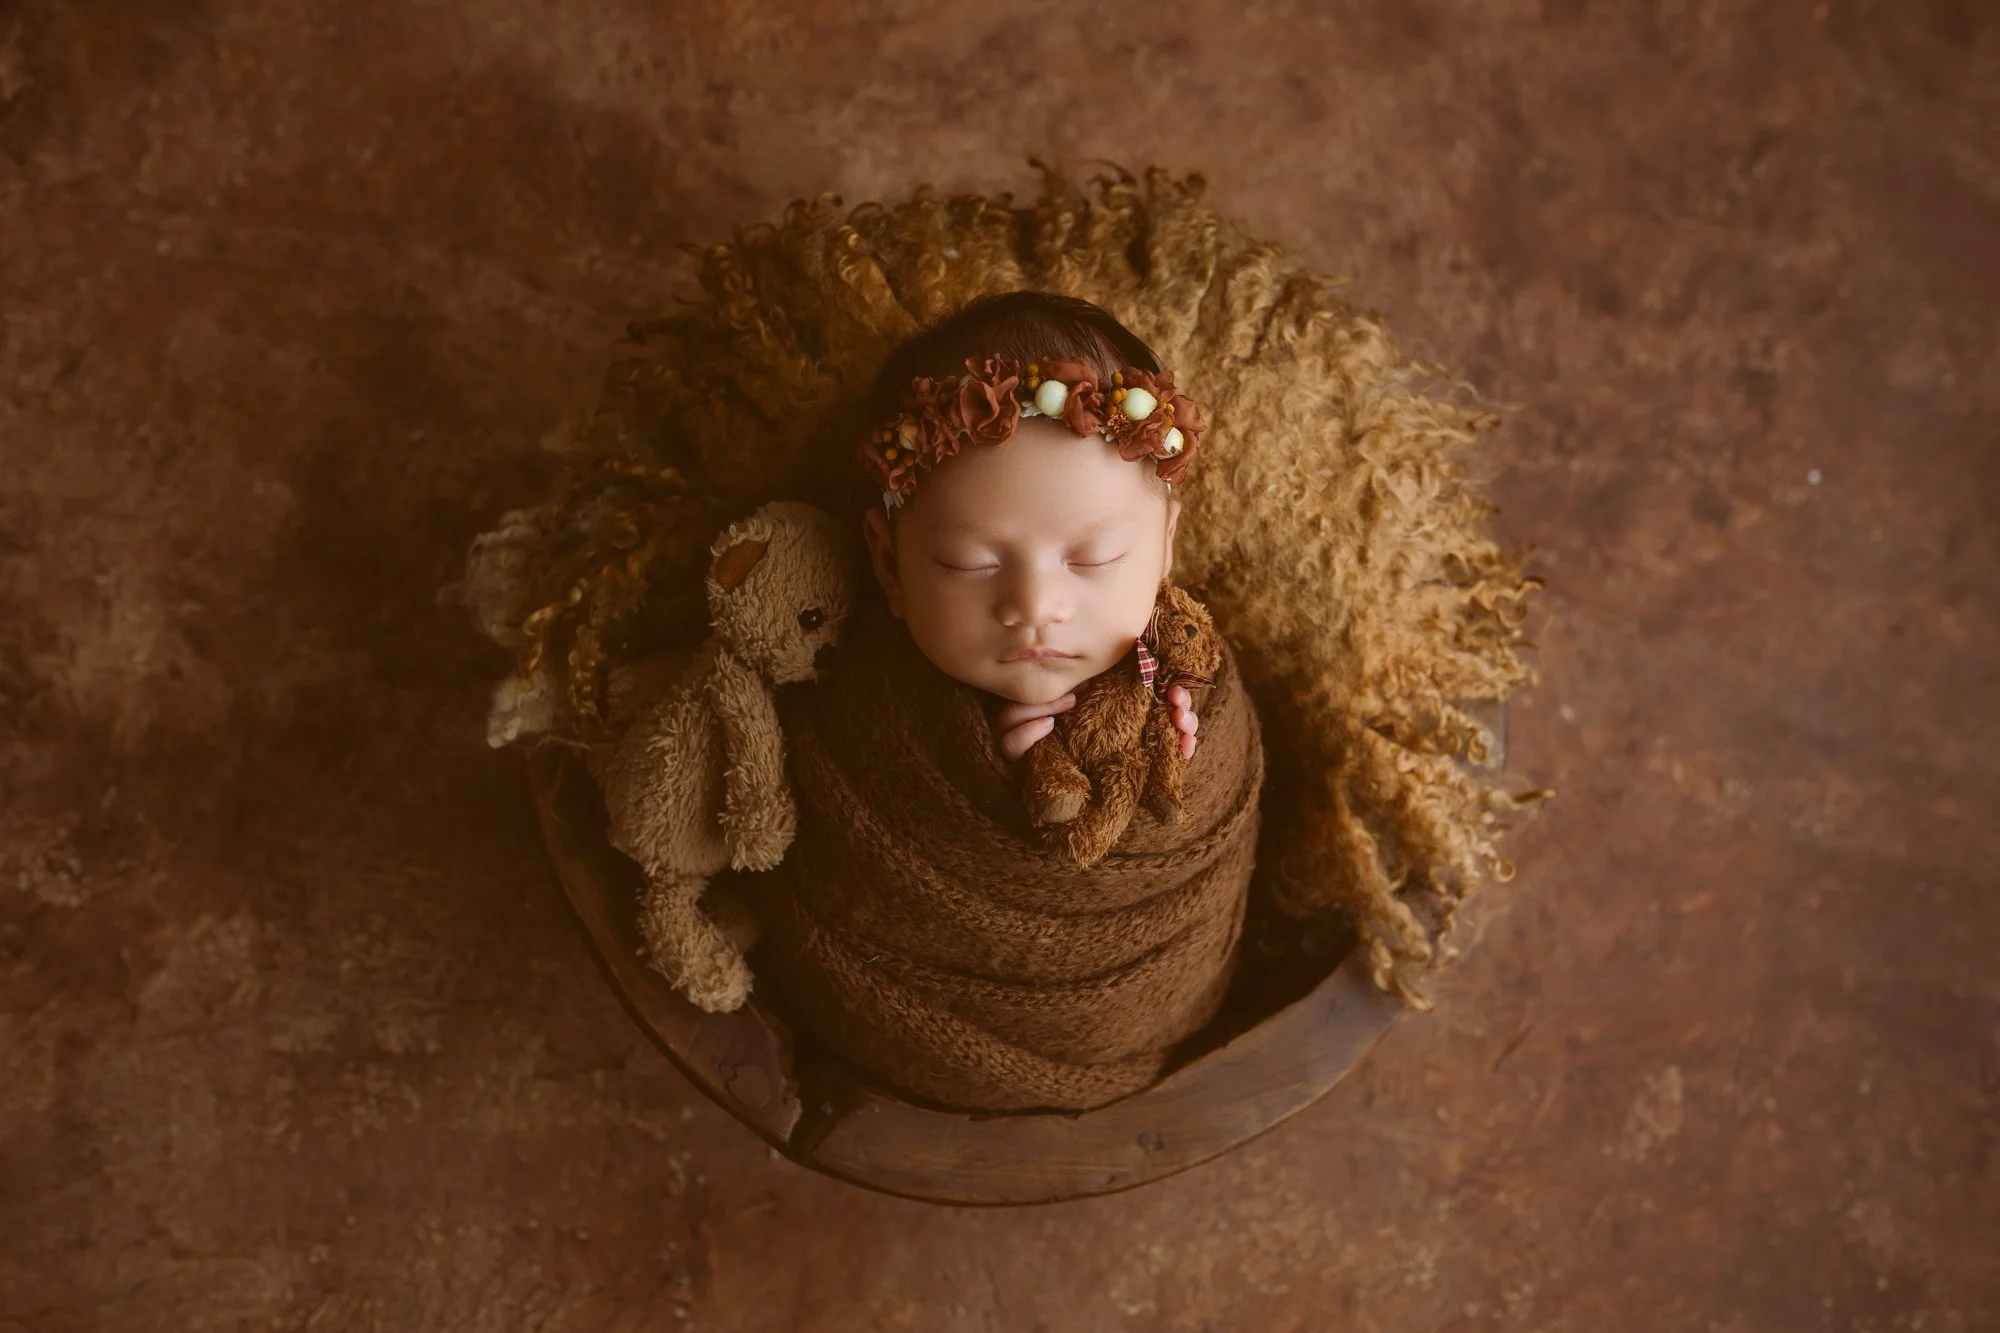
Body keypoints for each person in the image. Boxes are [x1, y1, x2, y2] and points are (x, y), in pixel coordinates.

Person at [853, 290, 1205, 775]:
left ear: (1165, 545)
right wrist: (990, 781)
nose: (1035, 606)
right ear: (890, 564)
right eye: (971, 562)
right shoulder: (870, 699)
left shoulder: (1183, 676)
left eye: (1095, 558)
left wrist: (1178, 765)